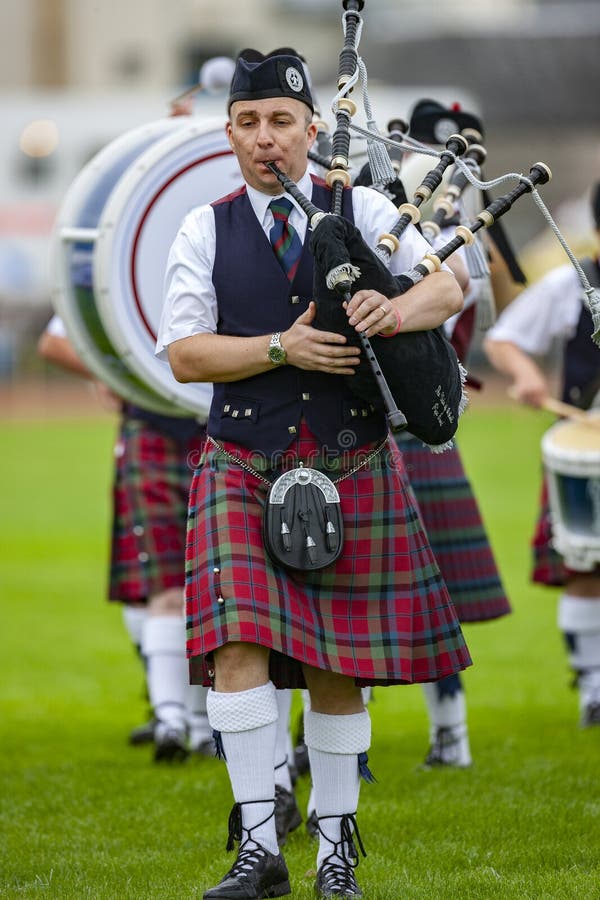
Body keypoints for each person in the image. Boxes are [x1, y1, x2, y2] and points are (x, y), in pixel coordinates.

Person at [157, 48, 471, 899]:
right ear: (229, 133)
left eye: (282, 123)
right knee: (235, 650)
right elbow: (185, 353)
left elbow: (457, 278)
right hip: (242, 462)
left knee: (339, 664)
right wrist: (277, 346)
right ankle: (260, 848)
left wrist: (397, 306)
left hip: (353, 458)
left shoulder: (362, 205)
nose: (267, 139)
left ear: (312, 129)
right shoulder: (203, 228)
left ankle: (336, 851)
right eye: (250, 123)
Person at [38, 315, 215, 762]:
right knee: (165, 583)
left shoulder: (225, 248)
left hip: (224, 426)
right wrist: (112, 372)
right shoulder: (130, 248)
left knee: (213, 588)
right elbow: (54, 341)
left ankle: (197, 725)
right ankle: (171, 718)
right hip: (153, 428)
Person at [484, 181, 600, 728]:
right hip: (586, 448)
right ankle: (593, 690)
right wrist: (528, 375)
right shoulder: (573, 282)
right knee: (586, 569)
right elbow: (504, 338)